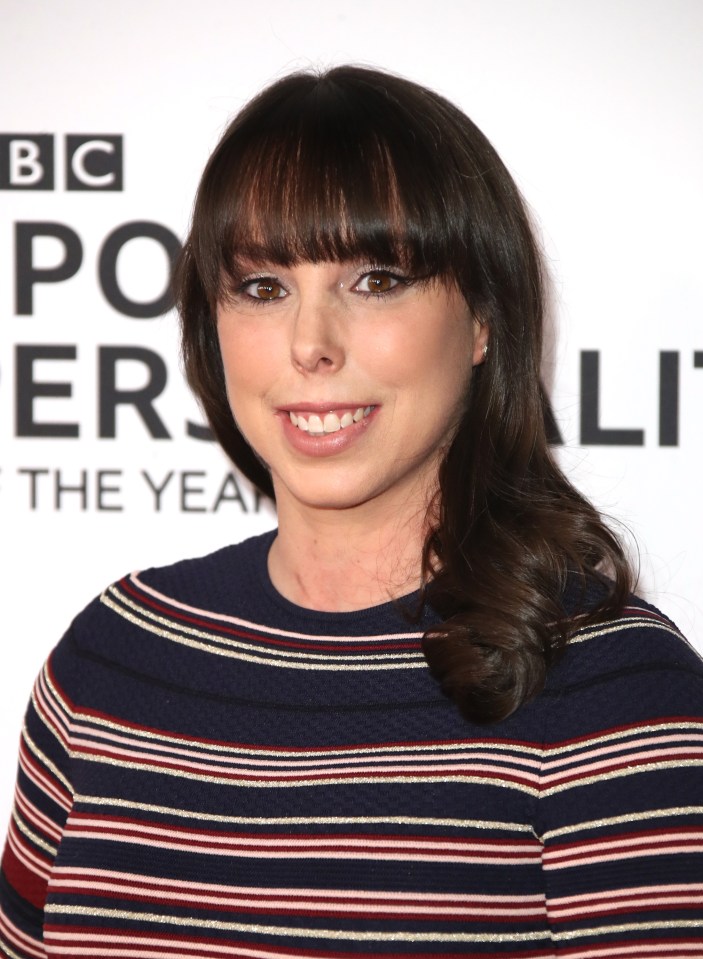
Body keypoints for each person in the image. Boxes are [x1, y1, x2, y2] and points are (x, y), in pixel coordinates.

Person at [1, 65, 702, 959]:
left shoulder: (620, 696)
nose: (309, 345)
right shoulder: (111, 661)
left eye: (376, 279)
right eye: (263, 287)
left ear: (484, 319)